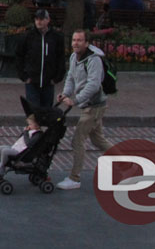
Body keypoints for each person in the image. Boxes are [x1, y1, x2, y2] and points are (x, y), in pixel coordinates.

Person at [57, 29, 114, 190]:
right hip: (87, 105)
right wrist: (65, 94)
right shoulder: (74, 56)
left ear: (87, 43)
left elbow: (94, 85)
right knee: (98, 140)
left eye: (79, 40)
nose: (75, 43)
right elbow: (70, 77)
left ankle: (74, 178)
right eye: (74, 40)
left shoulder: (93, 60)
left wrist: (74, 100)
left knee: (77, 140)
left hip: (95, 106)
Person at [14, 9, 66, 109]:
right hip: (32, 81)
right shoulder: (28, 36)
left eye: (41, 19)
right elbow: (19, 55)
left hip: (48, 81)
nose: (39, 21)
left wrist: (57, 78)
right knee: (34, 110)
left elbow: (60, 58)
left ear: (48, 20)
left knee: (46, 110)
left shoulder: (56, 37)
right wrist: (24, 76)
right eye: (37, 19)